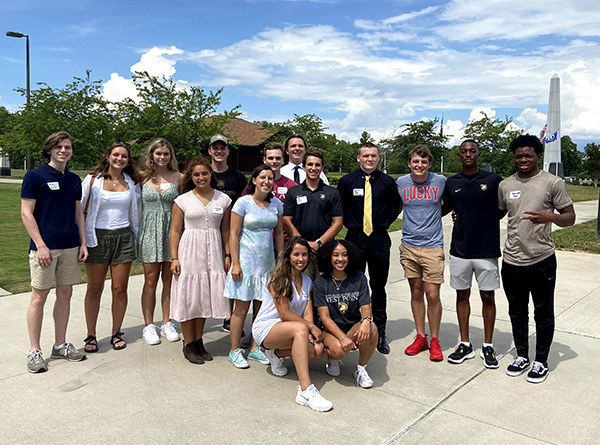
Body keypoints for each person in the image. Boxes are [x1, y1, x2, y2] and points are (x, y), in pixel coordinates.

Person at [499, 134, 575, 383]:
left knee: (543, 314)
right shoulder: (505, 185)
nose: (523, 159)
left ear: (537, 156)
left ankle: (541, 361)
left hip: (541, 260)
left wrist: (550, 217)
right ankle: (522, 355)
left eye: (528, 155)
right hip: (511, 261)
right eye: (519, 156)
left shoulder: (553, 183)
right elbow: (495, 214)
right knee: (516, 312)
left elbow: (570, 217)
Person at [21, 131, 88, 373]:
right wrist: (40, 245)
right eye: (59, 146)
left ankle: (60, 344)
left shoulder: (73, 179)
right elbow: (26, 213)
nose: (63, 150)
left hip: (70, 246)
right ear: (49, 149)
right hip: (44, 248)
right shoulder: (34, 176)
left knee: (66, 294)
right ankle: (34, 350)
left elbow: (78, 213)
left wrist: (83, 243)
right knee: (39, 297)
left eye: (68, 147)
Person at [442, 139, 504, 368]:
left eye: (472, 151)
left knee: (488, 297)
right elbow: (446, 207)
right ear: (459, 155)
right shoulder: (452, 182)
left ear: (478, 154)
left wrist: (488, 217)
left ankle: (488, 345)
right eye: (464, 151)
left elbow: (503, 206)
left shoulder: (493, 180)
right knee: (462, 296)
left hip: (486, 249)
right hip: (460, 249)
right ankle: (465, 344)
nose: (468, 154)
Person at [252, 237, 331, 412]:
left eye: (304, 255)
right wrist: (309, 327)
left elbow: (308, 313)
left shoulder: (307, 281)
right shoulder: (278, 278)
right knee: (301, 329)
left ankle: (277, 354)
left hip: (293, 328)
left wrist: (310, 331)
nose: (300, 259)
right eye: (296, 254)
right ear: (288, 256)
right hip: (267, 328)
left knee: (317, 351)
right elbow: (284, 313)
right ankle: (305, 390)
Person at [337, 142, 400, 354]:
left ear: (378, 158)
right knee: (352, 285)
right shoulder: (347, 182)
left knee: (378, 287)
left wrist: (383, 224)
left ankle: (379, 332)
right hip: (355, 239)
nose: (369, 159)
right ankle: (352, 328)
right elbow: (340, 209)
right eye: (365, 156)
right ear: (358, 158)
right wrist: (352, 226)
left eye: (373, 156)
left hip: (379, 239)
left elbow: (395, 207)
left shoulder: (388, 182)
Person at [169, 157, 232, 364]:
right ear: (191, 177)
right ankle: (188, 343)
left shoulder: (223, 200)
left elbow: (225, 230)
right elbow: (175, 231)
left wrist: (228, 254)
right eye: (196, 174)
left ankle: (198, 340)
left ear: (210, 174)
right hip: (189, 253)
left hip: (212, 253)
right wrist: (175, 257)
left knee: (204, 296)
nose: (201, 177)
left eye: (204, 173)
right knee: (190, 298)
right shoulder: (183, 200)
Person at [81, 142, 141, 352]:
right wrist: (82, 241)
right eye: (116, 155)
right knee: (95, 289)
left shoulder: (132, 182)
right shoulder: (92, 180)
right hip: (96, 237)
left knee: (119, 289)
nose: (120, 159)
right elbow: (79, 210)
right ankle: (91, 335)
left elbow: (136, 210)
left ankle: (117, 332)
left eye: (124, 156)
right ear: (108, 156)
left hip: (123, 237)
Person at [224, 164, 284, 368]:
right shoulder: (242, 203)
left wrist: (281, 261)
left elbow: (278, 234)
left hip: (267, 265)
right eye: (263, 177)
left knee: (261, 308)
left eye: (270, 178)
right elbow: (233, 234)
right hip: (245, 265)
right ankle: (234, 350)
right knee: (241, 308)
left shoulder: (276, 204)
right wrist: (235, 263)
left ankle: (255, 348)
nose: (267, 181)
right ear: (255, 180)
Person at [396, 144, 446, 361]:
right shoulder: (401, 183)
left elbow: (453, 202)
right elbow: (394, 207)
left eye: (424, 162)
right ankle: (420, 336)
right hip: (408, 245)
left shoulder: (440, 181)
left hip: (433, 245)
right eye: (416, 161)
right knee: (416, 292)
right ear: (409, 163)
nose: (419, 165)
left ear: (429, 164)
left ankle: (435, 339)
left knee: (432, 294)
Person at [313, 240, 378, 388]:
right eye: (335, 255)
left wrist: (366, 321)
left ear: (350, 257)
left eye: (344, 255)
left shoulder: (359, 278)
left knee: (372, 327)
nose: (340, 259)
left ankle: (361, 368)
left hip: (353, 326)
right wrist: (342, 338)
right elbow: (325, 317)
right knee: (339, 351)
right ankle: (333, 359)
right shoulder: (321, 283)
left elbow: (366, 307)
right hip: (331, 330)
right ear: (328, 257)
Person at [137, 138, 183, 345]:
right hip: (149, 231)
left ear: (170, 155)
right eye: (158, 153)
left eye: (166, 153)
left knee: (169, 279)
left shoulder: (179, 178)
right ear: (151, 155)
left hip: (171, 231)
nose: (162, 157)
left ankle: (167, 322)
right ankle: (148, 325)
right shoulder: (142, 177)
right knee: (150, 279)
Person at [207, 134, 247, 333]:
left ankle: (228, 317)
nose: (219, 151)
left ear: (228, 151)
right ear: (209, 151)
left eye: (223, 148)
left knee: (230, 273)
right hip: (207, 231)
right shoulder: (203, 175)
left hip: (231, 232)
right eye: (215, 148)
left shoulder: (238, 178)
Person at [283, 150, 343, 279]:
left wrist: (318, 243)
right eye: (310, 164)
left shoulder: (332, 193)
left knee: (324, 290)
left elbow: (338, 224)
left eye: (317, 165)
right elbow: (287, 220)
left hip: (325, 250)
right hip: (300, 253)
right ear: (303, 167)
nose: (313, 168)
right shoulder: (293, 192)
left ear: (322, 168)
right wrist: (304, 245)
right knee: (302, 292)